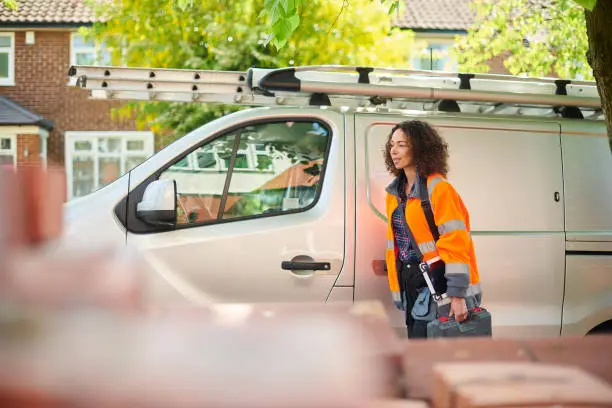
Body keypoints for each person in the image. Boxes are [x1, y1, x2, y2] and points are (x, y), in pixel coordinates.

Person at [383, 120, 482, 338]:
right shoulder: (394, 193)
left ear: (420, 147)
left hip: (437, 284)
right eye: (392, 145)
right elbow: (398, 245)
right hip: (411, 281)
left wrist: (457, 296)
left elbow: (455, 243)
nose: (394, 151)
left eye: (402, 144)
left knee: (431, 351)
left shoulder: (439, 189)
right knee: (417, 346)